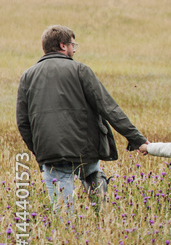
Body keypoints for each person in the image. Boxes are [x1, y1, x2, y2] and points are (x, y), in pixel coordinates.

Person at [16, 25, 147, 214]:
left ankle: (66, 238)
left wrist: (38, 149)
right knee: (93, 175)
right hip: (84, 150)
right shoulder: (80, 70)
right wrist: (137, 139)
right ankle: (102, 218)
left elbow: (22, 122)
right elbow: (109, 107)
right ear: (63, 46)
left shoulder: (27, 76)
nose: (74, 49)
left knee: (63, 214)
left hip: (50, 153)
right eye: (72, 45)